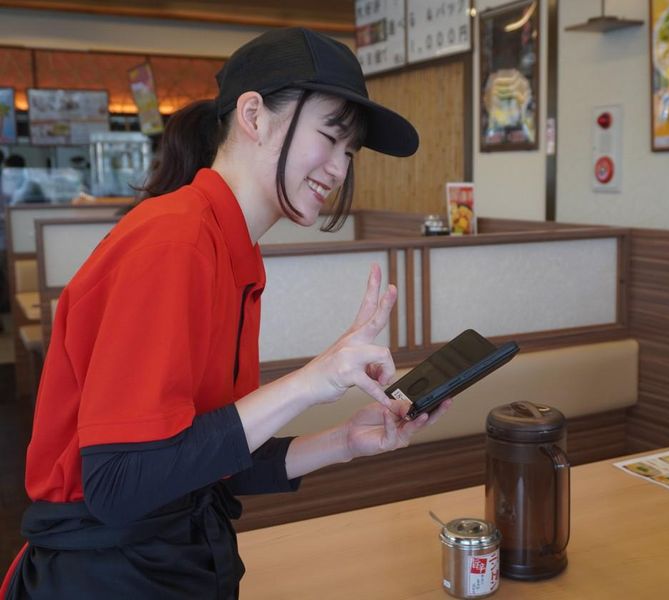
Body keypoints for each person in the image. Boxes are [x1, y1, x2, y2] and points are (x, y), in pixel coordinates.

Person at [1, 28, 450, 599]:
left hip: (173, 555)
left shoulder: (231, 248)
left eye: (349, 152)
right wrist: (313, 380)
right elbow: (118, 484)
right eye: (330, 138)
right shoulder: (176, 240)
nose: (338, 169)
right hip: (105, 573)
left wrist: (346, 441)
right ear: (254, 115)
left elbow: (204, 459)